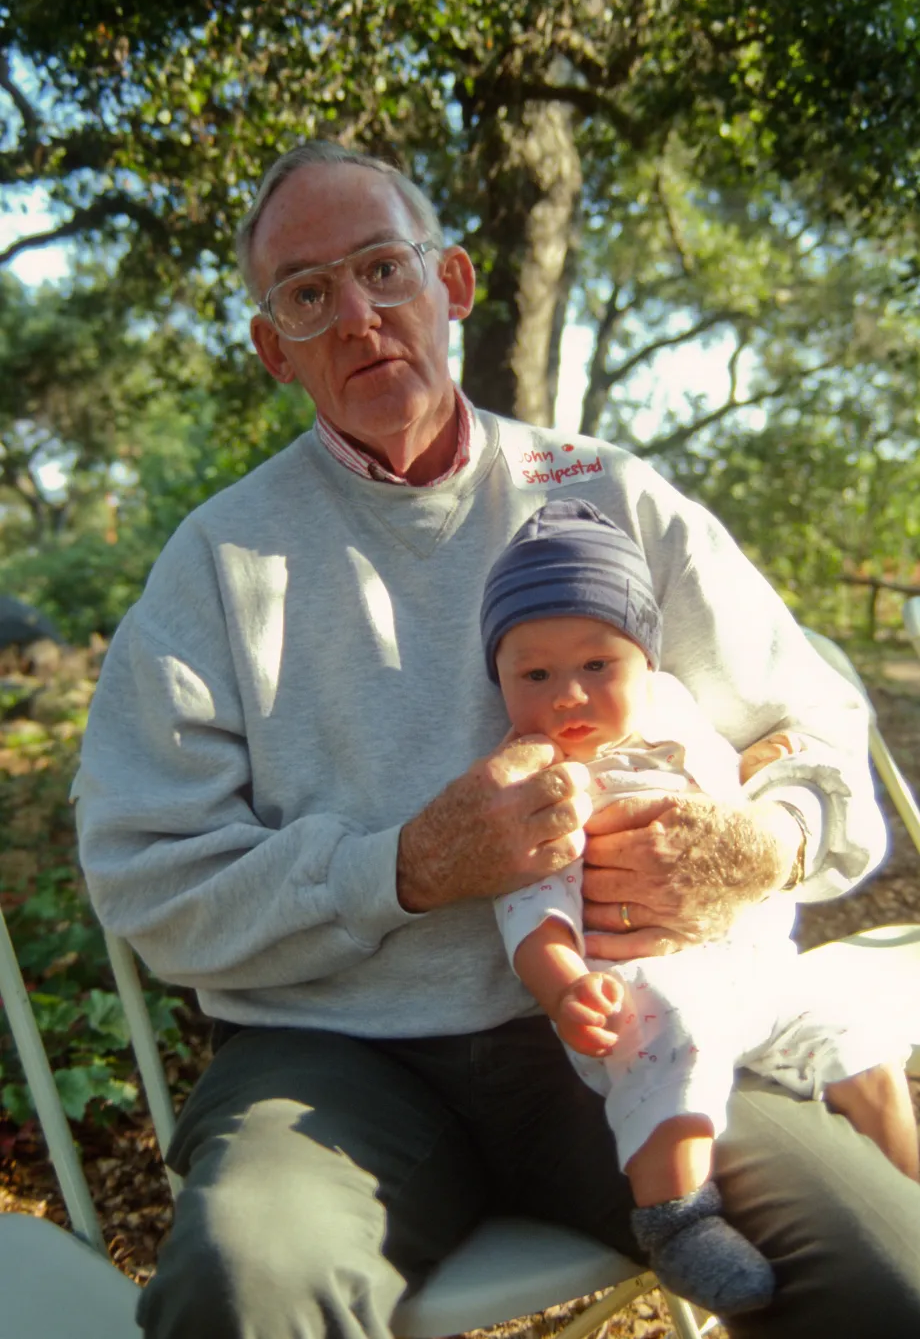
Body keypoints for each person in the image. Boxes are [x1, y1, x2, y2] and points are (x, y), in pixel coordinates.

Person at [71, 140, 920, 1339]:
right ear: (274, 349)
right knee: (243, 1288)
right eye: (308, 294)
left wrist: (755, 843)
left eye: (382, 268)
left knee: (888, 1274)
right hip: (331, 1064)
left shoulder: (609, 496)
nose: (358, 314)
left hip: (633, 1032)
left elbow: (826, 736)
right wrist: (404, 865)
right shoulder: (218, 564)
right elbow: (146, 882)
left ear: (453, 284)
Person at [481, 495, 918, 1316]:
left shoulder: (676, 711)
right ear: (500, 680)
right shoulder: (534, 783)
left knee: (855, 1032)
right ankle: (676, 1216)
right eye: (534, 675)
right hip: (639, 983)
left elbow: (720, 786)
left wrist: (757, 764)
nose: (568, 695)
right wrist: (566, 985)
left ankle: (907, 1171)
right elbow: (531, 905)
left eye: (596, 666)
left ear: (646, 660)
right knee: (669, 1044)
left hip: (753, 966)